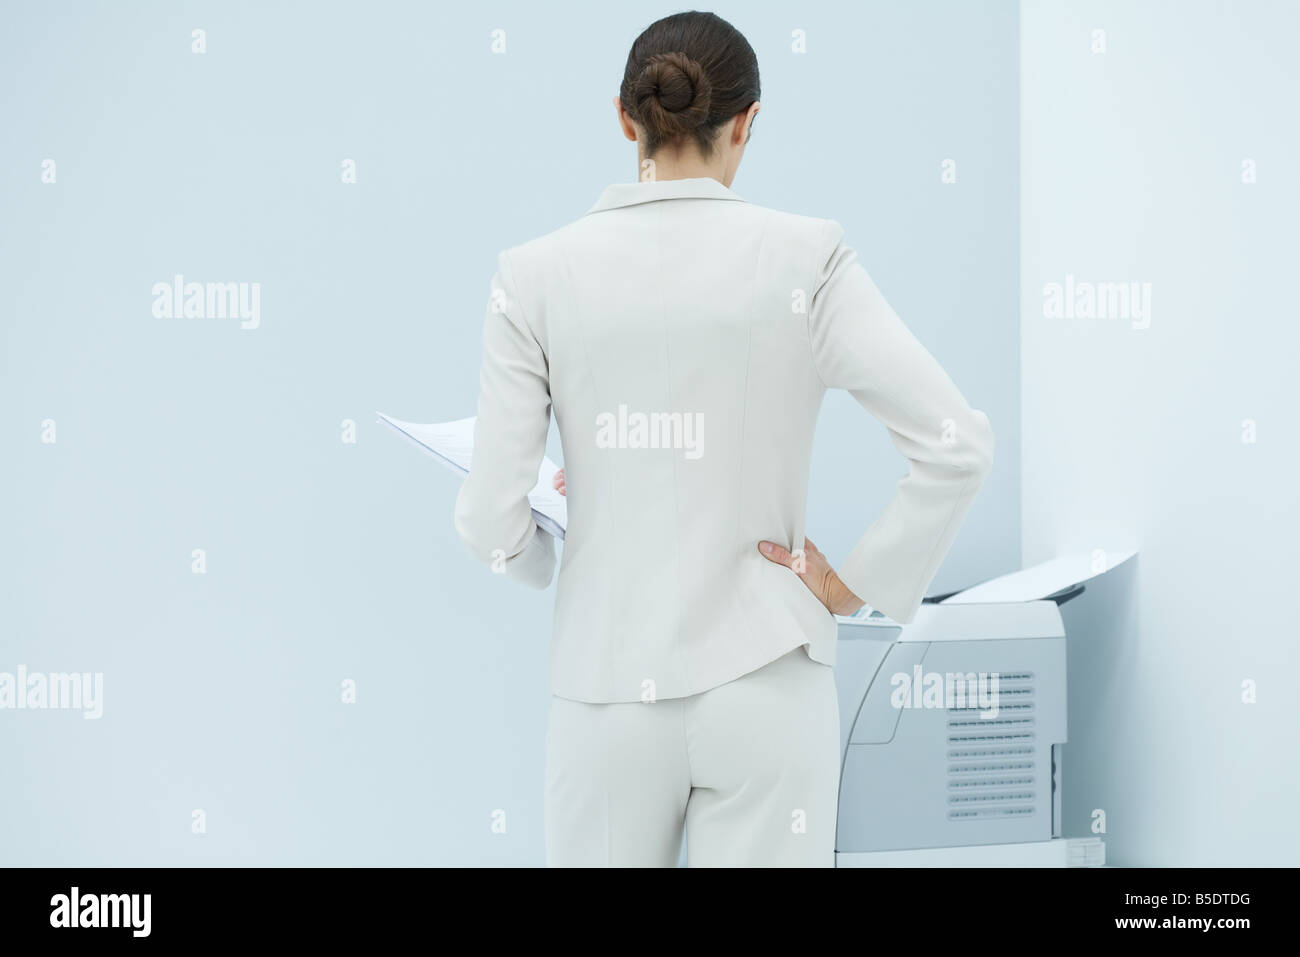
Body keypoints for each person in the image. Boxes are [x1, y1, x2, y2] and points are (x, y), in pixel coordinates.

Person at [454, 11, 994, 867]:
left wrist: (541, 553)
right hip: (768, 683)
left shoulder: (532, 277)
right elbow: (957, 443)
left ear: (626, 118)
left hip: (604, 692)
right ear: (746, 122)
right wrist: (852, 587)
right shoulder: (807, 258)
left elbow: (491, 516)